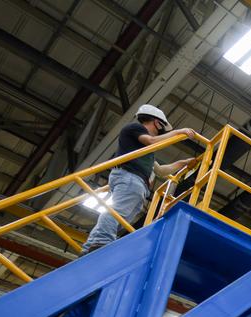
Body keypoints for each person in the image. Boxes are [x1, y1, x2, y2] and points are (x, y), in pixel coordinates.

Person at [80, 104, 199, 254]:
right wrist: (178, 132)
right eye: (161, 128)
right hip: (130, 177)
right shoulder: (134, 129)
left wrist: (184, 163)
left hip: (137, 184)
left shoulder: (143, 151)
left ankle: (92, 247)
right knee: (117, 212)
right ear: (157, 123)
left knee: (119, 218)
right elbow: (151, 141)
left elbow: (161, 171)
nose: (160, 132)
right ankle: (100, 242)